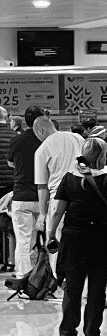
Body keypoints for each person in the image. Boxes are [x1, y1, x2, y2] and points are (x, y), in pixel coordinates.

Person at [46, 137, 107, 336]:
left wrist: (51, 235)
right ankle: (91, 333)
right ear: (102, 156)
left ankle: (67, 332)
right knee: (97, 288)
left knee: (73, 287)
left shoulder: (69, 179)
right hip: (100, 239)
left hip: (74, 238)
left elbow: (57, 210)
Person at [5, 104, 43, 291]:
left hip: (21, 196)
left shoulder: (16, 141)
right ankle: (47, 278)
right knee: (49, 240)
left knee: (24, 240)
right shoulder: (46, 141)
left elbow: (11, 162)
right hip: (44, 198)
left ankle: (24, 278)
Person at [34, 113, 83, 241]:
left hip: (58, 200)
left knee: (56, 243)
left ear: (40, 130)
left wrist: (42, 213)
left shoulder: (42, 149)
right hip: (82, 196)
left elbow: (42, 186)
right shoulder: (77, 138)